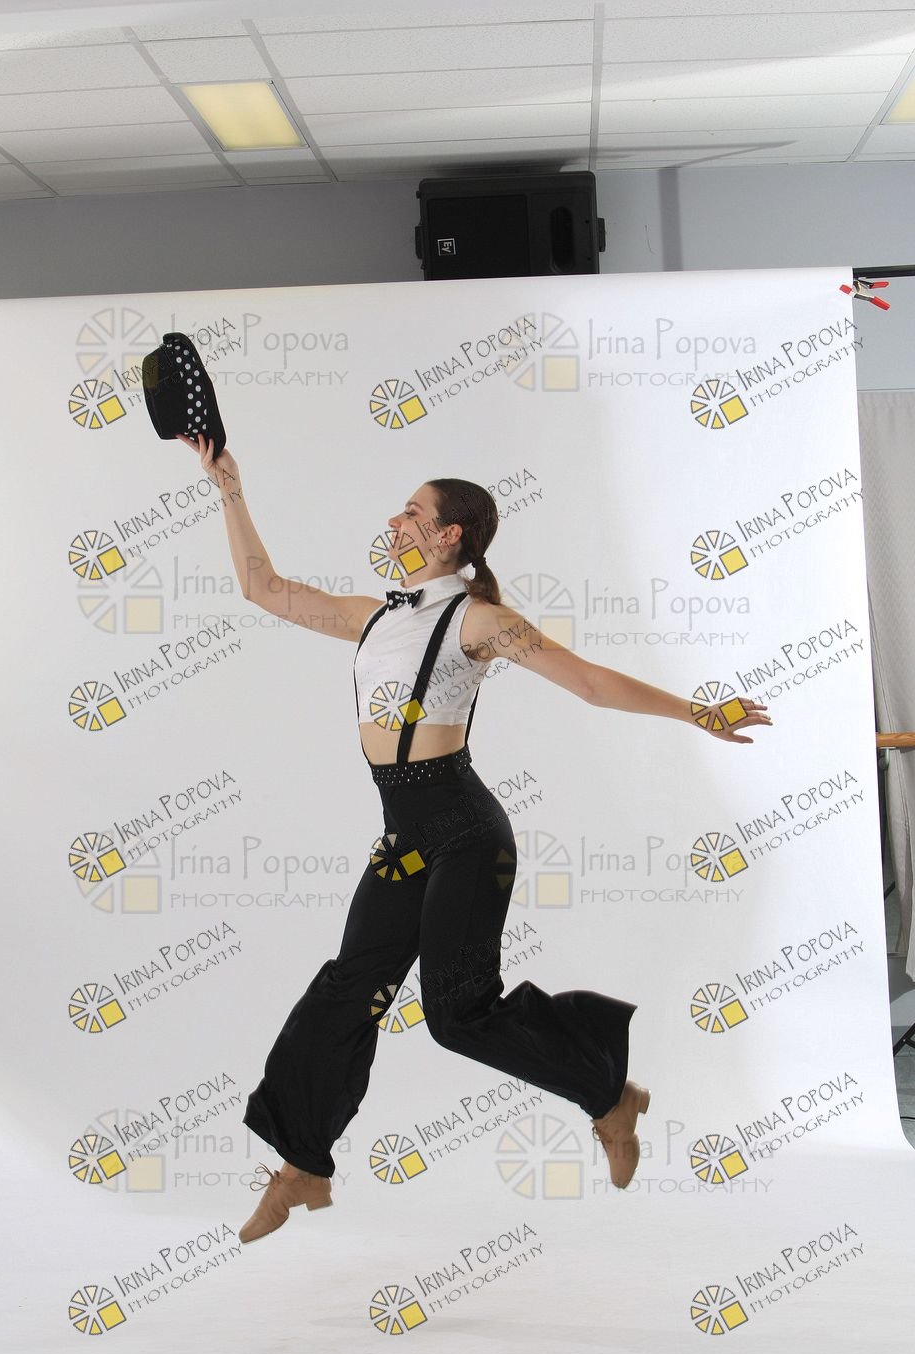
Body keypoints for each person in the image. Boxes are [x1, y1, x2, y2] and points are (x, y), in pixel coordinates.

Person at [177, 433, 772, 1242]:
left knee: (457, 1016)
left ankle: (608, 1096)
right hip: (404, 836)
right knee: (349, 989)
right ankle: (302, 1165)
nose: (395, 520)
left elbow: (589, 682)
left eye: (411, 511)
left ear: (448, 533)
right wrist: (228, 486)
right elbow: (264, 588)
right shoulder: (376, 616)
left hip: (464, 832)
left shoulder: (479, 620)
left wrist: (698, 712)